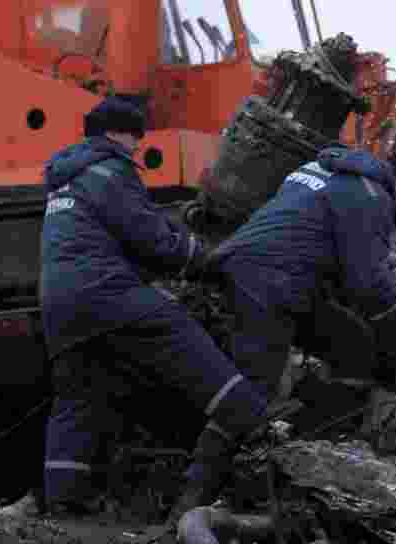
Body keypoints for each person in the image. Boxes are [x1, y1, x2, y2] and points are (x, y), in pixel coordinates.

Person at [41, 96, 271, 518]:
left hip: (59, 302)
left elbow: (110, 237)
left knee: (78, 394)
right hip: (104, 291)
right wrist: (200, 258)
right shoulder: (112, 170)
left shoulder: (65, 179)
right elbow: (149, 236)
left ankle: (63, 503)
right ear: (119, 133)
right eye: (135, 138)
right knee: (179, 334)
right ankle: (255, 421)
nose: (136, 148)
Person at [208, 145, 396, 423]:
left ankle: (319, 424)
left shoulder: (322, 169)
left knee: (350, 340)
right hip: (271, 279)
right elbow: (369, 285)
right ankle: (220, 459)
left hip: (244, 261)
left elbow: (317, 237)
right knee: (257, 387)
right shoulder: (374, 197)